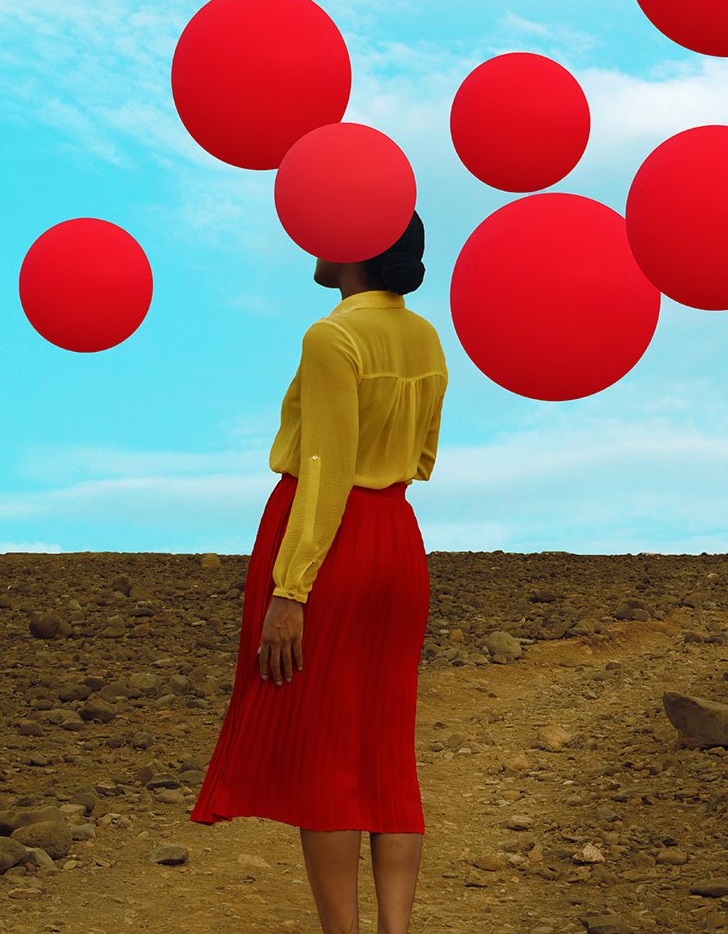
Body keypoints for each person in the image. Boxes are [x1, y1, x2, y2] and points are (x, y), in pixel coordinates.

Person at [190, 208, 445, 934]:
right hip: (398, 538)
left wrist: (290, 588)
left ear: (359, 253)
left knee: (330, 759)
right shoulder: (425, 337)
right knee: (386, 752)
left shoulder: (332, 335)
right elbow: (422, 457)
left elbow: (325, 470)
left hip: (330, 544)